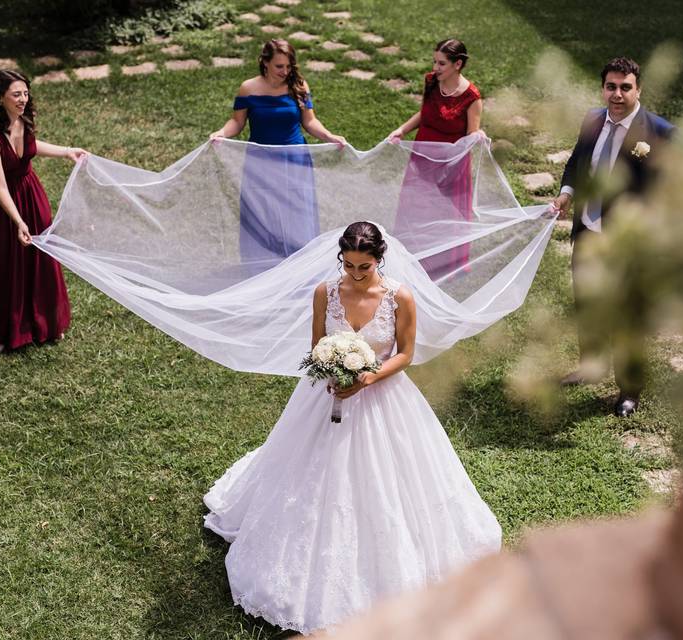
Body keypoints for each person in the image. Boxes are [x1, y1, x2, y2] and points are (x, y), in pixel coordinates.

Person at [203, 221, 502, 635]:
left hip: (382, 398)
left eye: (364, 267)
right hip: (325, 397)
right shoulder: (326, 293)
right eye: (348, 265)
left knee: (388, 482)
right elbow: (315, 348)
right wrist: (331, 372)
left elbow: (407, 354)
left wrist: (367, 377)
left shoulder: (399, 297)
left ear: (379, 260)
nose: (356, 275)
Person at [550, 57, 674, 417]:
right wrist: (567, 191)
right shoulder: (592, 119)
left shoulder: (660, 132)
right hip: (588, 231)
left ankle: (629, 390)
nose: (617, 94)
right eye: (611, 86)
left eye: (625, 87)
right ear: (603, 87)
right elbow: (577, 161)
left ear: (639, 89)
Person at [0, 69, 85, 352]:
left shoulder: (23, 119)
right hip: (2, 207)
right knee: (5, 263)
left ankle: (44, 324)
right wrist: (18, 221)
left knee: (41, 260)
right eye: (16, 95)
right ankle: (5, 331)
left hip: (31, 195)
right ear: (0, 98)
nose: (23, 99)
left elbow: (32, 147)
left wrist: (66, 151)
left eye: (25, 93)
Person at [210, 39, 346, 273]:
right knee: (262, 212)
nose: (285, 72)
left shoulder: (300, 86)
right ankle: (262, 268)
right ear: (264, 63)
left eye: (288, 66)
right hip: (259, 162)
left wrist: (329, 136)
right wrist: (221, 134)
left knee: (296, 213)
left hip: (294, 161)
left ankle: (298, 267)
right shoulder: (248, 88)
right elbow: (237, 122)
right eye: (279, 66)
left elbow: (309, 121)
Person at [387, 39, 484, 281]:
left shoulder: (472, 97)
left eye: (442, 63)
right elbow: (425, 112)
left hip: (451, 162)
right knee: (417, 207)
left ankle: (442, 264)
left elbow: (471, 134)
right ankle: (413, 256)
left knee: (444, 213)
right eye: (435, 62)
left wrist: (479, 137)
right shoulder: (431, 82)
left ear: (458, 64)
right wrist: (402, 129)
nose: (436, 67)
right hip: (423, 155)